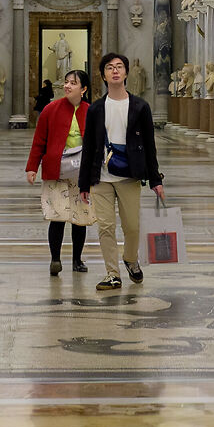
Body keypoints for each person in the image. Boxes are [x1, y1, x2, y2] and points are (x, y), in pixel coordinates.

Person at [78, 51, 165, 291]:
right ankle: (112, 273)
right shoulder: (95, 109)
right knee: (105, 227)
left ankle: (130, 258)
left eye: (119, 67)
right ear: (103, 75)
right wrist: (84, 183)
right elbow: (88, 147)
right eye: (109, 67)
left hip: (130, 174)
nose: (115, 70)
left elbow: (149, 145)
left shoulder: (140, 107)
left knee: (132, 226)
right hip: (101, 177)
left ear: (125, 73)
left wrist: (155, 179)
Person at [26, 68, 93, 276]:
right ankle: (55, 259)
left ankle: (77, 259)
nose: (67, 86)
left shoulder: (91, 111)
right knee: (57, 217)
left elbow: (99, 143)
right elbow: (39, 141)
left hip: (82, 173)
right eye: (66, 82)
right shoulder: (50, 109)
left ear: (83, 89)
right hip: (56, 170)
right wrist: (32, 167)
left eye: (73, 83)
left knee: (80, 218)